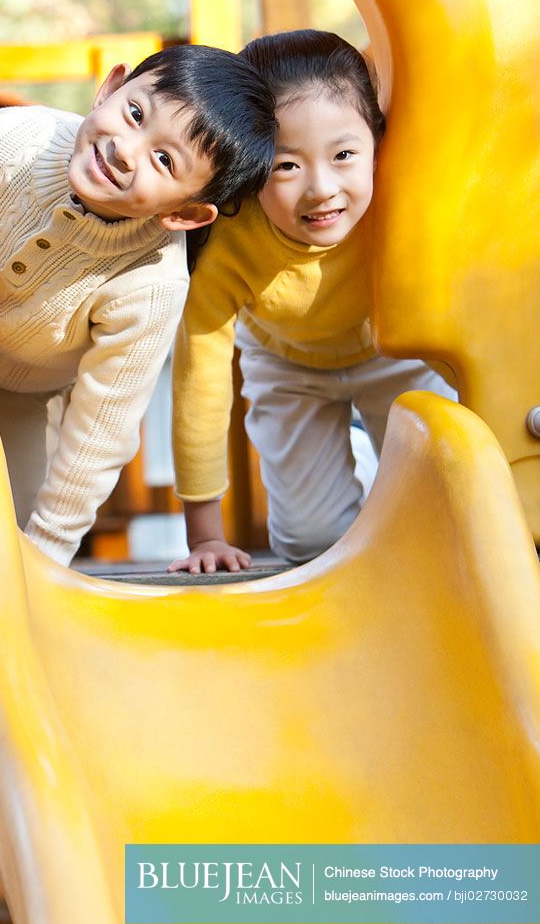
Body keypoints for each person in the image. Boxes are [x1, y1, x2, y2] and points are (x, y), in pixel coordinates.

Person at [0, 44, 276, 570]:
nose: (126, 151)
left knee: (1, 553)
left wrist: (45, 558)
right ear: (110, 88)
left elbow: (100, 433)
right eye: (135, 114)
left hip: (9, 394)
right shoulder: (9, 142)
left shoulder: (151, 284)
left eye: (164, 160)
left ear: (184, 214)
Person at [169, 29, 457, 575]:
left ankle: (375, 466)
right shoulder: (227, 239)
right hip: (288, 364)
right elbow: (199, 381)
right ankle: (362, 470)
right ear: (252, 166)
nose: (322, 188)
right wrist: (204, 536)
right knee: (311, 542)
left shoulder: (406, 195)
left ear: (377, 141)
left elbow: (479, 298)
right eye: (286, 166)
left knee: (451, 511)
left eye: (345, 154)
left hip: (394, 352)